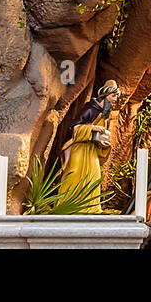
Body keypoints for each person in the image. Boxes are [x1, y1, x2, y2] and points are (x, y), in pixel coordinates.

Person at [58, 80, 121, 213]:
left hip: (91, 150)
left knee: (94, 176)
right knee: (74, 175)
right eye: (113, 96)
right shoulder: (90, 109)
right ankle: (67, 206)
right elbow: (73, 128)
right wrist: (92, 128)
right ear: (105, 95)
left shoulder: (105, 114)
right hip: (79, 148)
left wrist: (103, 142)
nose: (115, 100)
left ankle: (90, 208)